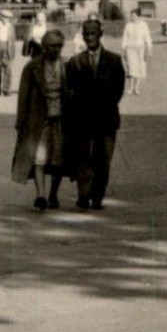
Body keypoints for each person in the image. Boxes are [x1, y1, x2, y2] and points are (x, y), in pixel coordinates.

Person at [64, 16, 126, 210]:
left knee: (103, 160)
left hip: (106, 119)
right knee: (82, 158)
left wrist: (102, 106)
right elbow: (70, 91)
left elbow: (118, 89)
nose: (89, 37)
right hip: (82, 120)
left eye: (92, 34)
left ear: (100, 34)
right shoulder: (75, 62)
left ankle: (97, 197)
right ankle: (83, 195)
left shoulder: (114, 60)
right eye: (85, 34)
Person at [11, 28, 73, 209]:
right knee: (39, 158)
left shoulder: (67, 65)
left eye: (59, 46)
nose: (56, 49)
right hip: (40, 119)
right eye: (53, 46)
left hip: (61, 119)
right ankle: (41, 196)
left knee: (59, 160)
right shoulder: (32, 67)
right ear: (45, 46)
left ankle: (53, 193)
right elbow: (23, 96)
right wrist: (20, 122)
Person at [121, 8, 152, 96]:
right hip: (130, 49)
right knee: (131, 68)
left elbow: (147, 37)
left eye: (134, 15)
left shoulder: (143, 25)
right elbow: (125, 37)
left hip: (140, 49)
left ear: (138, 16)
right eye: (131, 16)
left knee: (139, 68)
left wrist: (149, 48)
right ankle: (130, 88)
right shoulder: (128, 25)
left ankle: (136, 88)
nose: (132, 17)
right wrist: (123, 48)